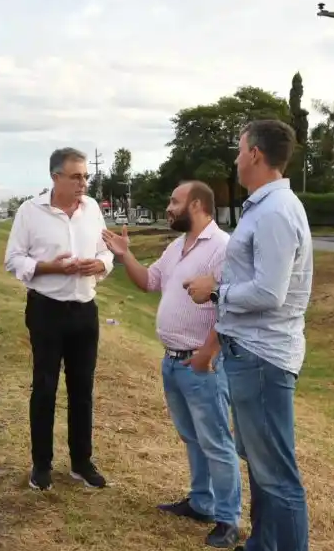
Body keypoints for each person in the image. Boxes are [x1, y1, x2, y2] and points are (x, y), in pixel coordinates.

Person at [185, 119, 313, 551]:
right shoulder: (264, 207)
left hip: (263, 357)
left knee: (277, 475)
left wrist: (215, 290)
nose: (236, 160)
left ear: (256, 154)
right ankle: (262, 543)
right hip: (252, 353)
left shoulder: (276, 211)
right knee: (261, 467)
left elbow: (270, 292)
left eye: (239, 151)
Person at [101, 181, 241, 549]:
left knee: (216, 443)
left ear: (196, 205)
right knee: (192, 437)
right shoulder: (177, 246)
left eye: (174, 202)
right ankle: (201, 502)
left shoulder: (223, 248)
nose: (168, 207)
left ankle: (228, 519)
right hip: (173, 361)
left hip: (201, 364)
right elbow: (149, 282)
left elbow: (229, 308)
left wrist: (207, 354)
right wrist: (124, 254)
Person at [3, 147, 114, 491]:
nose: (83, 183)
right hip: (47, 309)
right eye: (76, 176)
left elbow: (105, 250)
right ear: (55, 177)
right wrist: (53, 267)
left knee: (82, 389)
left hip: (85, 309)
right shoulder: (30, 211)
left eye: (85, 176)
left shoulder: (92, 208)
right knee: (46, 387)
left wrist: (101, 265)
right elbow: (14, 259)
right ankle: (42, 465)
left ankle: (81, 462)